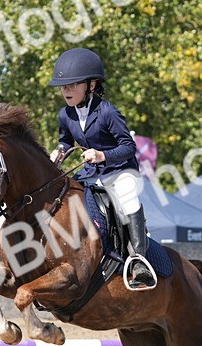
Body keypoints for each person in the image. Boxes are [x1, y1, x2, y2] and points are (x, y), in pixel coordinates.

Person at [47, 48, 155, 291]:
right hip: (89, 174)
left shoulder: (108, 112)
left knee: (127, 197)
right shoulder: (65, 114)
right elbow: (65, 140)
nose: (66, 91)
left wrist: (101, 155)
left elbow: (128, 147)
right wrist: (60, 151)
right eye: (63, 87)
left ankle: (139, 260)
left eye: (72, 85)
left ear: (91, 85)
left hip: (119, 170)